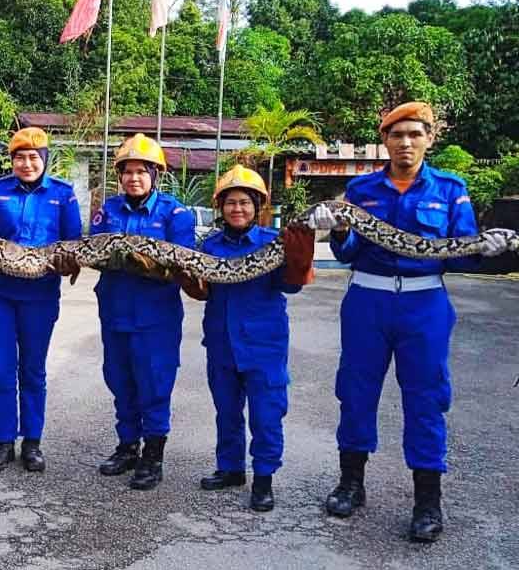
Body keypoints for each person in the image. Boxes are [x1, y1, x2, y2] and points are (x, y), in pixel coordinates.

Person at [307, 102, 510, 541]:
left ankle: (427, 502)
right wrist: (336, 229)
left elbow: (465, 256)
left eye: (415, 134)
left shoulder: (451, 189)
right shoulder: (361, 189)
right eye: (396, 135)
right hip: (367, 300)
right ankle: (351, 483)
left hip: (424, 305)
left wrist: (487, 250)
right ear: (385, 140)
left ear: (429, 138)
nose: (405, 143)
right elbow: (346, 254)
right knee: (356, 391)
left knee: (427, 398)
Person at [183, 165, 315, 512]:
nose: (237, 209)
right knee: (226, 411)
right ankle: (230, 469)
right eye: (230, 203)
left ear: (258, 206)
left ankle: (264, 479)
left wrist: (298, 263)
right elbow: (203, 292)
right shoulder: (207, 246)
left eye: (244, 202)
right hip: (221, 343)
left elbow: (290, 286)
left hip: (264, 346)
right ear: (220, 208)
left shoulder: (275, 242)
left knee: (266, 414)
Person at [81, 133, 196, 491]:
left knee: (154, 383)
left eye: (141, 172)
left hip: (156, 316)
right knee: (120, 380)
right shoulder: (108, 210)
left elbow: (185, 263)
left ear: (155, 174)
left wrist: (150, 266)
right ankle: (128, 447)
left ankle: (153, 455)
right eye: (127, 172)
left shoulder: (175, 214)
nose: (134, 178)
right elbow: (92, 251)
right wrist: (105, 259)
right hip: (115, 310)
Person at [0, 127, 82, 473]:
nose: (27, 163)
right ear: (12, 161)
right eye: (20, 157)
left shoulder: (63, 195)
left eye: (34, 157)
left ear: (45, 160)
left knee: (33, 369)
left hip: (40, 295)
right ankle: (4, 442)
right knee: (1, 369)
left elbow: (73, 245)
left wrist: (69, 262)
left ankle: (32, 441)